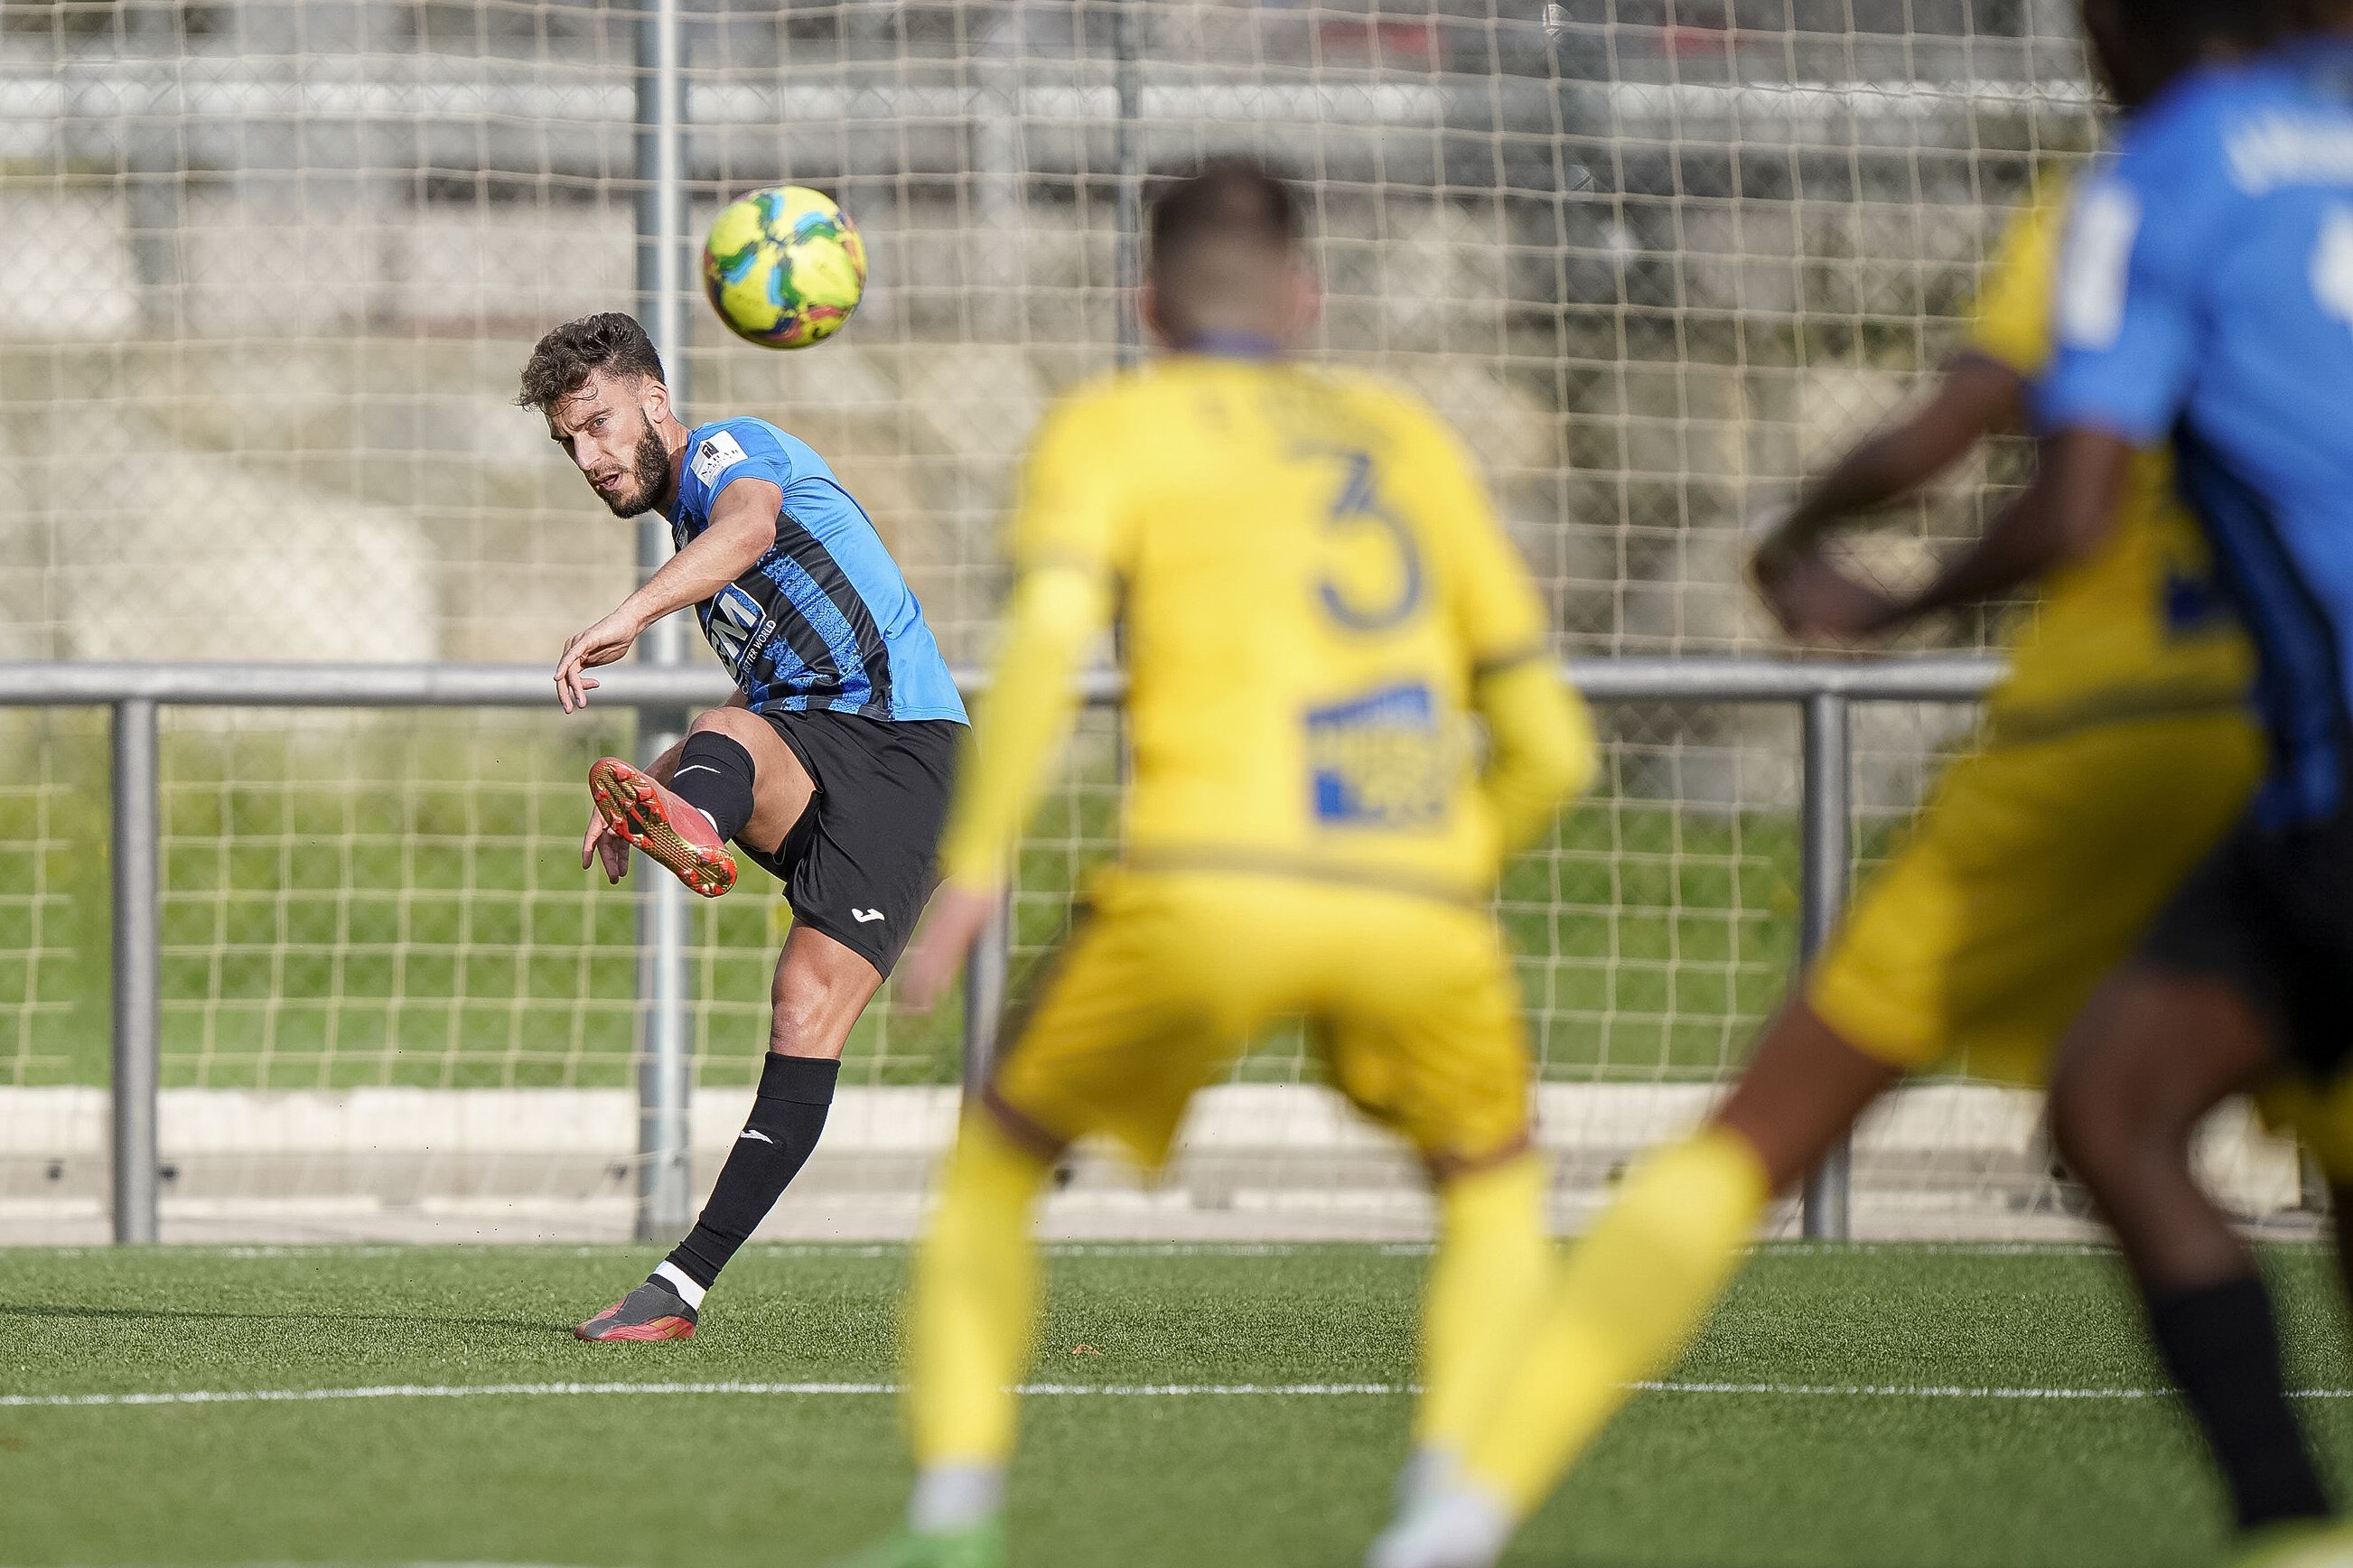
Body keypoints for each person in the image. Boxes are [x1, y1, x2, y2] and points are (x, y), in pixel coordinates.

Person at [1367, 4, 2328, 1562]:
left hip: (2109, 733)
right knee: (2186, 1113)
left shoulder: (2141, 185)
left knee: (1766, 1129)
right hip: (2307, 741)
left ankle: (1454, 1520)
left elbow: (1999, 455)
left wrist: (1840, 570)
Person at [838, 159, 1596, 1567]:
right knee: (1491, 1185)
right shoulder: (1406, 436)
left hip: (1200, 889)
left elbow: (1054, 656)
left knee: (997, 1168)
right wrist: (1433, 863)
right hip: (1422, 898)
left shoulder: (1112, 428)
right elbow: (1553, 747)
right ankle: (1446, 1516)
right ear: (1303, 299)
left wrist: (980, 868)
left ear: (1146, 304)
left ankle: (954, 1523)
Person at [518, 312, 967, 1340]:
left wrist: (630, 616)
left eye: (598, 424)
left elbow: (754, 528)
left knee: (806, 1001)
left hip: (908, 755)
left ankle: (697, 816)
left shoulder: (732, 452)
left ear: (657, 402)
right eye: (569, 442)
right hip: (815, 754)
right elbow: (769, 699)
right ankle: (676, 1292)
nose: (588, 458)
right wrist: (654, 785)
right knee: (794, 994)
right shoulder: (689, 533)